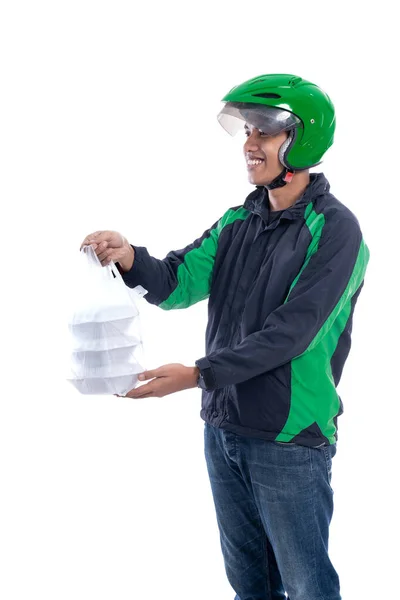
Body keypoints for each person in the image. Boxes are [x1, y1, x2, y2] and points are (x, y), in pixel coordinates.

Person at [81, 74, 370, 600]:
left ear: (301, 140)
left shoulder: (337, 230)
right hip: (225, 427)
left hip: (289, 439)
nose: (250, 144)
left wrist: (197, 375)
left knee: (308, 587)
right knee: (249, 586)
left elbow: (292, 333)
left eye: (263, 131)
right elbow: (177, 281)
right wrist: (128, 256)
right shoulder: (240, 221)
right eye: (247, 132)